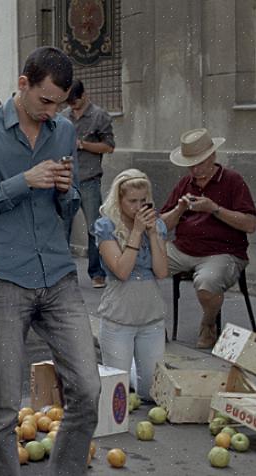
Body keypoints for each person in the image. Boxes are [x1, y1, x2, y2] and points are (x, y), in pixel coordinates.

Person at [0, 46, 100, 475]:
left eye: (59, 103)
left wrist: (64, 192)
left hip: (57, 275)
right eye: (45, 100)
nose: (52, 111)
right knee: (3, 407)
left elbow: (66, 208)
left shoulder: (63, 130)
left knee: (88, 390)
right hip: (5, 279)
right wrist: (24, 181)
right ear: (23, 84)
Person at [159, 128, 256, 348]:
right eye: (190, 165)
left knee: (207, 283)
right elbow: (161, 226)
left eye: (199, 163)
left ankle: (209, 324)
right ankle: (152, 326)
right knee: (142, 265)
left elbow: (250, 224)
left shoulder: (232, 180)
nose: (195, 170)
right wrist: (179, 209)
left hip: (222, 252)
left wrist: (214, 209)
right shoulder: (185, 183)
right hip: (183, 249)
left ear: (212, 156)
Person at [94, 169, 168, 401]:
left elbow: (162, 271)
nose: (139, 207)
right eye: (132, 201)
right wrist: (136, 231)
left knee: (149, 394)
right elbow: (122, 271)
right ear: (119, 200)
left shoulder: (157, 225)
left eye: (143, 201)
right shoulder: (106, 226)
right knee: (118, 394)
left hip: (151, 317)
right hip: (119, 318)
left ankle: (136, 372)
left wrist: (153, 234)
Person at [62, 80, 116, 289]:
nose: (73, 107)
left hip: (89, 179)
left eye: (76, 103)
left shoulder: (99, 115)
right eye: (70, 104)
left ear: (85, 95)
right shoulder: (63, 117)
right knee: (62, 228)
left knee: (95, 227)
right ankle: (64, 274)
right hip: (66, 178)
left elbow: (109, 147)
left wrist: (83, 144)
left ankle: (97, 272)